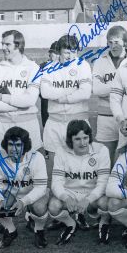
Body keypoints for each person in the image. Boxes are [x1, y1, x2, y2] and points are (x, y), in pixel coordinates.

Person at [48, 120, 111, 245]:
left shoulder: (101, 150)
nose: (83, 143)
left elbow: (103, 183)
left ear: (89, 137)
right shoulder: (61, 151)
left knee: (106, 203)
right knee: (53, 206)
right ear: (70, 139)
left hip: (92, 194)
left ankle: (104, 224)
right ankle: (70, 224)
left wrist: (88, 199)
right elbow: (56, 182)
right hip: (70, 193)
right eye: (77, 139)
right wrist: (66, 198)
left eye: (85, 138)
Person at [0, 127, 49, 249]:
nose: (14, 149)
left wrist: (23, 202)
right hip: (11, 193)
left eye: (18, 145)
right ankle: (10, 230)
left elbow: (41, 187)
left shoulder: (37, 157)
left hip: (32, 193)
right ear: (6, 144)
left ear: (25, 145)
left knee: (39, 207)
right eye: (10, 144)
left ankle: (39, 231)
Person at [0, 30, 43, 152]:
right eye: (2, 44)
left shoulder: (33, 68)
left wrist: (3, 98)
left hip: (28, 126)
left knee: (29, 168)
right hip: (2, 126)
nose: (3, 47)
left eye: (7, 44)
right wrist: (19, 106)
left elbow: (30, 100)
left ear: (18, 45)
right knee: (4, 169)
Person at [40, 35, 92, 164]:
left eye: (74, 52)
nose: (71, 56)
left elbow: (85, 93)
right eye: (67, 52)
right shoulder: (48, 67)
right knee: (55, 167)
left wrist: (61, 98)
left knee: (79, 166)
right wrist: (73, 92)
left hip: (78, 122)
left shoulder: (83, 65)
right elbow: (45, 92)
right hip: (54, 123)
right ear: (59, 52)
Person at [92, 26, 127, 166]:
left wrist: (107, 88)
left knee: (126, 159)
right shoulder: (100, 61)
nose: (113, 46)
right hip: (105, 117)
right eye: (110, 42)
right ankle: (105, 187)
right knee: (105, 158)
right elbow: (96, 89)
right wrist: (120, 86)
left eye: (117, 42)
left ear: (125, 42)